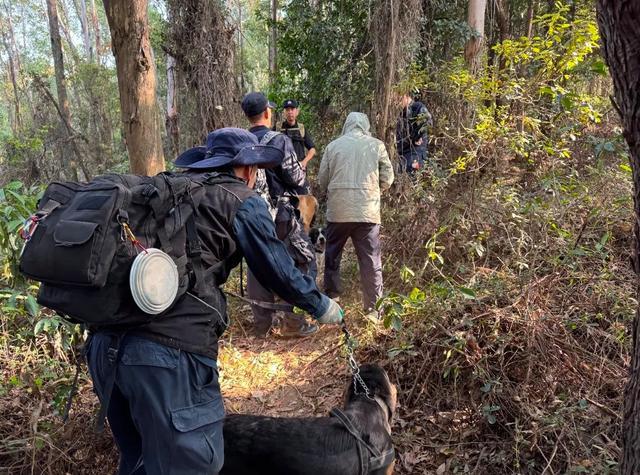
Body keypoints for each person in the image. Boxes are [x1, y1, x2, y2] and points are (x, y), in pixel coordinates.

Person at [86, 128, 343, 475]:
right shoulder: (239, 198)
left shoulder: (165, 191)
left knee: (139, 461)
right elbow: (278, 269)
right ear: (248, 170)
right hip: (168, 357)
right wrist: (321, 304)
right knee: (193, 465)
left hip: (105, 349)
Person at [241, 92, 318, 338]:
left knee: (258, 262)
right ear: (267, 113)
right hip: (281, 214)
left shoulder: (240, 141)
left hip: (250, 214)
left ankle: (262, 325)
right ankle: (293, 323)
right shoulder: (278, 140)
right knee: (302, 260)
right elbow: (296, 178)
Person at [318, 112, 394, 324]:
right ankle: (373, 310)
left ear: (347, 125)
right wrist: (375, 190)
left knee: (333, 256)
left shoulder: (333, 147)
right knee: (371, 260)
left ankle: (332, 302)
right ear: (365, 126)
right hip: (367, 213)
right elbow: (388, 177)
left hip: (338, 212)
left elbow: (323, 180)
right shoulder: (376, 145)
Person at [395, 90, 433, 174]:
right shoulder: (400, 113)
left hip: (415, 153)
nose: (396, 102)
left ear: (405, 96)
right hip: (402, 154)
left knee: (412, 178)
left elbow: (427, 122)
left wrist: (415, 137)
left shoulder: (417, 107)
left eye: (398, 98)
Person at [280, 99, 316, 171]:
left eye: (292, 109)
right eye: (287, 110)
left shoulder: (301, 128)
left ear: (297, 112)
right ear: (284, 112)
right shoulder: (278, 128)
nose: (290, 112)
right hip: (282, 172)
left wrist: (304, 162)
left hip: (299, 170)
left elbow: (312, 149)